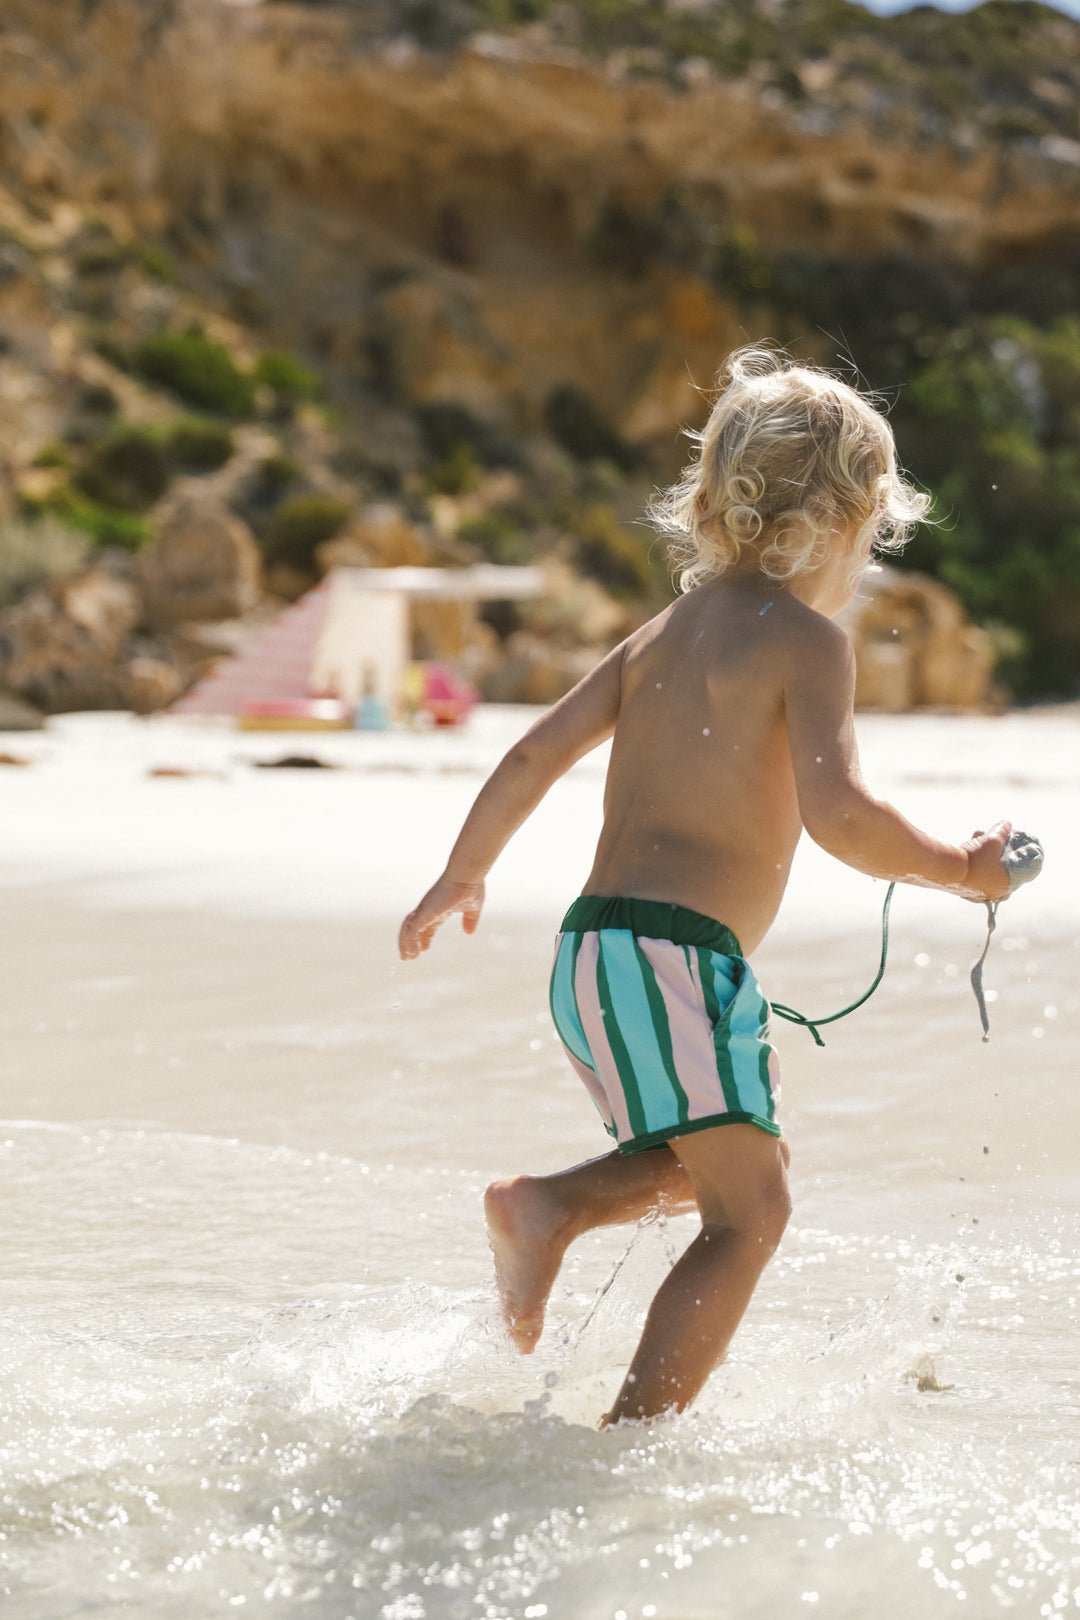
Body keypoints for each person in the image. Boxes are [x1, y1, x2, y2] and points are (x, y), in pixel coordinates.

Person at [398, 347, 1011, 1426]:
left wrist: (463, 871)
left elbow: (535, 754)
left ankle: (545, 1208)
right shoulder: (810, 645)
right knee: (754, 1212)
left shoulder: (658, 635)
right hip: (680, 958)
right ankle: (631, 1446)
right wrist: (963, 870)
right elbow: (847, 819)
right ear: (858, 515)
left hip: (592, 953)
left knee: (710, 1165)